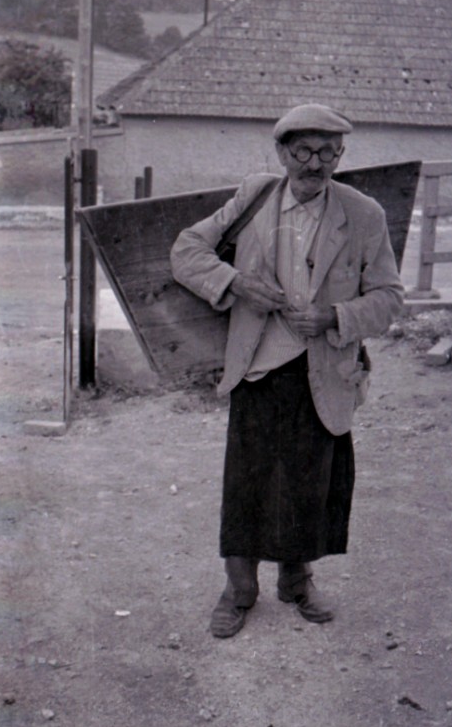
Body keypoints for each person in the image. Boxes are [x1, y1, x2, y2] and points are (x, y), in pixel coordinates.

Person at [170, 103, 404, 638]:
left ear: (340, 155)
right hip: (258, 367)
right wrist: (236, 284)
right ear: (281, 153)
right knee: (246, 483)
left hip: (325, 372)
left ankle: (297, 582)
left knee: (311, 482)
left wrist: (334, 316)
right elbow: (186, 250)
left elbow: (390, 298)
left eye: (328, 153)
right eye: (302, 151)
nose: (314, 164)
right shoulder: (255, 196)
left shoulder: (363, 214)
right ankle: (239, 590)